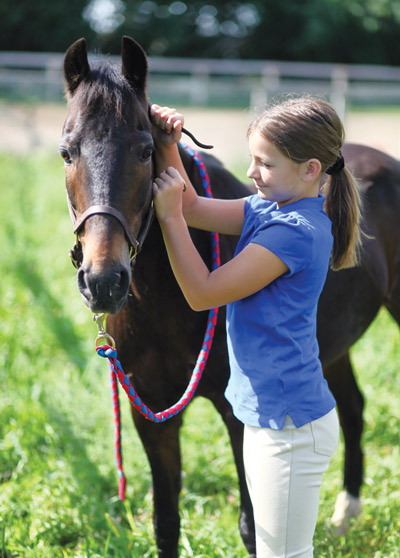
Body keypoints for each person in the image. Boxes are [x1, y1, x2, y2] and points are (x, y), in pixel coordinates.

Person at [150, 96, 362, 558]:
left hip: (289, 429)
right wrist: (169, 147)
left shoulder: (295, 231)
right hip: (268, 416)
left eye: (264, 163)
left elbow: (202, 292)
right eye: (252, 159)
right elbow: (195, 208)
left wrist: (166, 217)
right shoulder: (270, 207)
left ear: (310, 169)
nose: (251, 172)